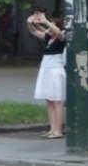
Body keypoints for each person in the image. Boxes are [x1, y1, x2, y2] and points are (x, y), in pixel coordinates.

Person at [26, 9, 66, 139]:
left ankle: (58, 130)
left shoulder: (61, 37)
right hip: (46, 69)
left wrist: (46, 21)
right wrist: (30, 22)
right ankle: (52, 128)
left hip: (55, 70)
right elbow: (33, 30)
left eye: (51, 26)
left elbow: (58, 32)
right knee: (49, 100)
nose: (48, 28)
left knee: (57, 101)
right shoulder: (48, 38)